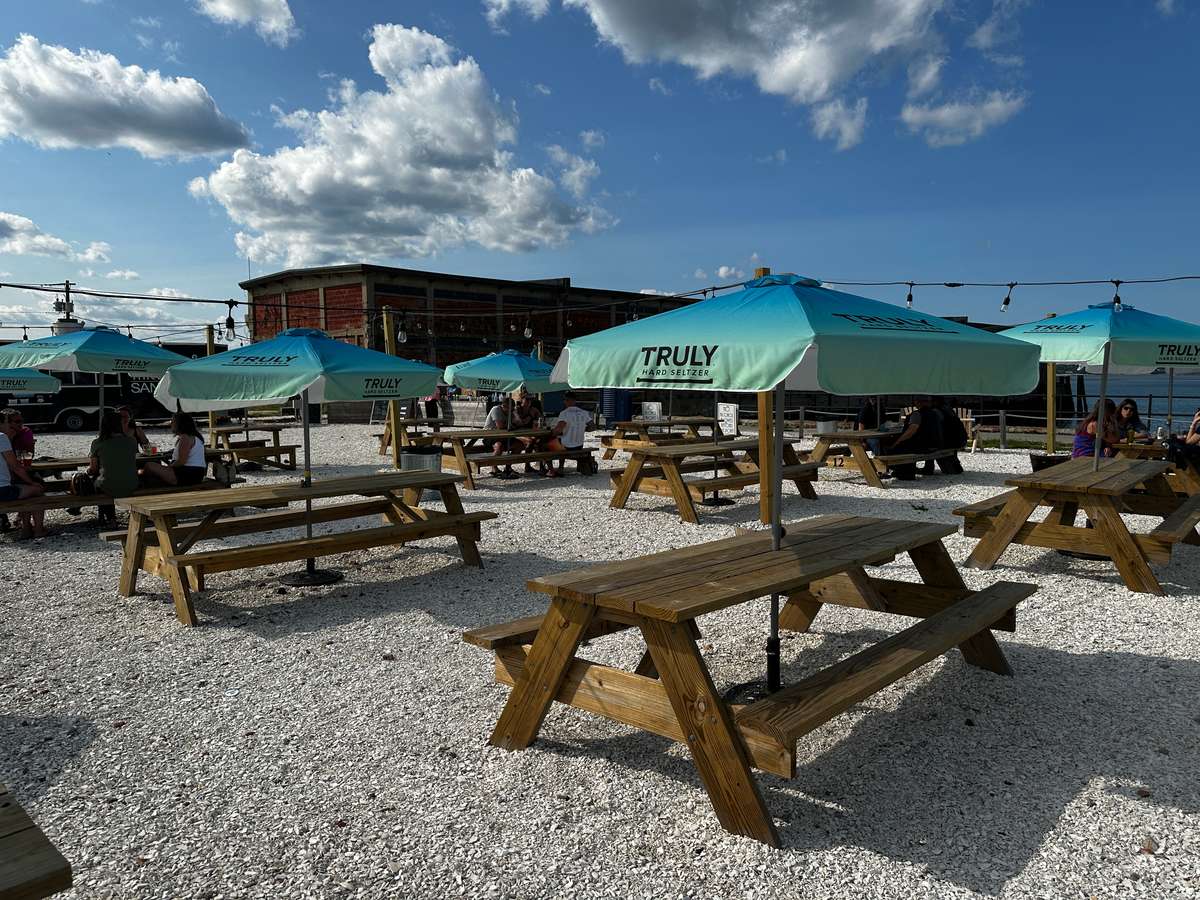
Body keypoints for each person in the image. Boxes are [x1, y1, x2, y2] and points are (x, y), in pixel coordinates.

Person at [0, 410, 48, 539]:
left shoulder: (20, 434)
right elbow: (15, 467)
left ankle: (26, 528)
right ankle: (38, 530)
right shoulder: (2, 437)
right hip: (3, 490)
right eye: (7, 422)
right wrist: (32, 483)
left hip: (7, 485)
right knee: (37, 490)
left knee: (25, 489)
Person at [88, 410, 140, 526]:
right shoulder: (131, 441)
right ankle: (111, 518)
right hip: (131, 483)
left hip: (108, 485)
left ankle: (110, 518)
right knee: (110, 477)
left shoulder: (97, 443)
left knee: (101, 481)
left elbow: (93, 469)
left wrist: (89, 471)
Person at [141, 412, 208, 486]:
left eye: (173, 422)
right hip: (196, 474)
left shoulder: (185, 437)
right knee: (154, 474)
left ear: (180, 424)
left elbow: (182, 461)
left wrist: (169, 467)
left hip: (187, 474)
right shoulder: (195, 437)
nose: (171, 423)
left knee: (149, 466)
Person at [884, 396, 943, 480]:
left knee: (896, 448)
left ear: (918, 402)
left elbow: (911, 431)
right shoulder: (936, 413)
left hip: (923, 446)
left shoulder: (917, 414)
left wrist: (897, 442)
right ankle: (906, 471)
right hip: (936, 444)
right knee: (902, 446)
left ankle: (902, 472)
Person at [545, 392, 595, 477]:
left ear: (567, 400)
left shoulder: (564, 413)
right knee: (562, 440)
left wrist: (551, 432)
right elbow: (593, 427)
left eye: (565, 400)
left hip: (566, 447)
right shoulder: (583, 412)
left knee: (546, 445)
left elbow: (558, 430)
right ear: (575, 401)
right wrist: (582, 429)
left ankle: (552, 470)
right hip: (579, 445)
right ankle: (560, 468)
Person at [482, 398, 519, 479]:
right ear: (504, 406)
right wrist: (512, 424)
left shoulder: (511, 412)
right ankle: (494, 468)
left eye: (512, 409)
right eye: (510, 408)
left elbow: (518, 422)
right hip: (490, 435)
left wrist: (515, 416)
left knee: (519, 445)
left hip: (504, 435)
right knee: (499, 446)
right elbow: (500, 426)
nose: (511, 410)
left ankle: (508, 467)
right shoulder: (496, 409)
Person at [931, 397, 966, 475]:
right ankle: (955, 467)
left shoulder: (936, 412)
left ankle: (929, 467)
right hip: (958, 440)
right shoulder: (949, 410)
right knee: (951, 460)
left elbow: (938, 430)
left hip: (947, 442)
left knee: (930, 446)